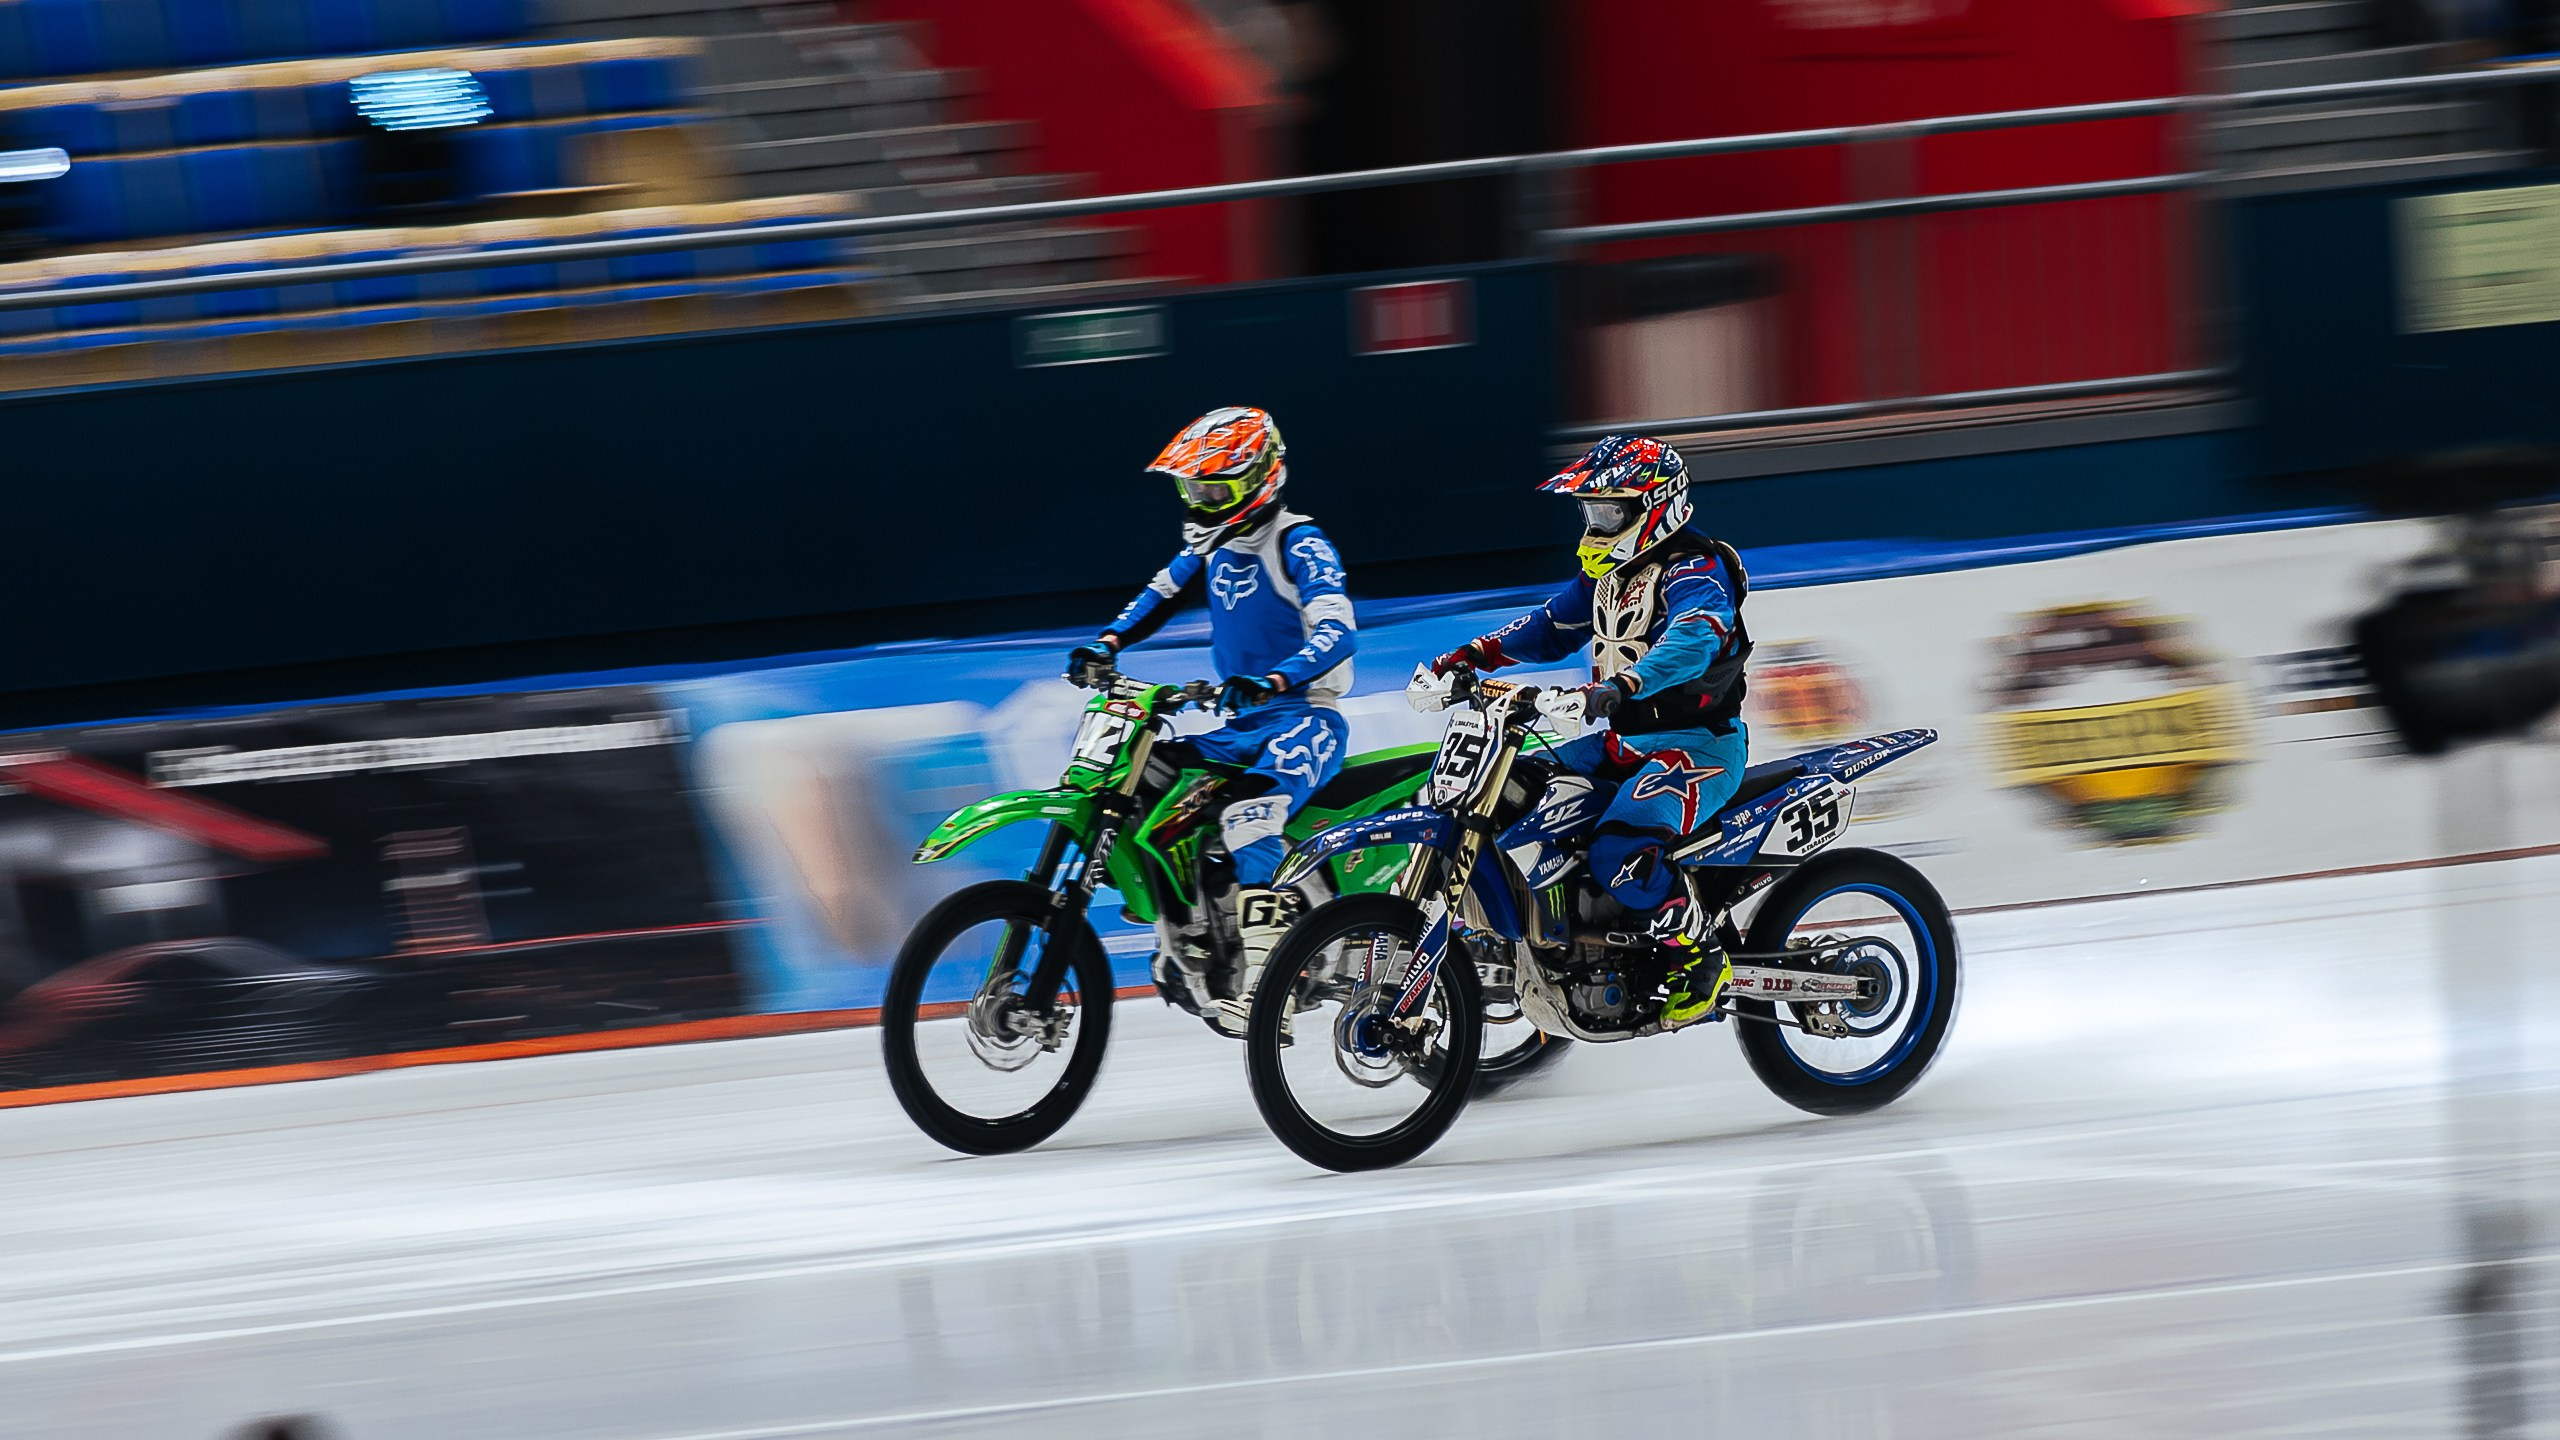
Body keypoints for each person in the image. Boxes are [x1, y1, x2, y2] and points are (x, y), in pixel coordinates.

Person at [1430, 434, 1752, 1030]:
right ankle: (1547, 938)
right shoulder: (1608, 576)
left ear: (1656, 507)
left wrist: (1624, 685)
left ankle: (1701, 957)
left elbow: (1697, 634)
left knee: (1620, 849)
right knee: (1513, 792)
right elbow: (1551, 626)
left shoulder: (1696, 569)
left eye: (1610, 511)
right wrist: (1475, 654)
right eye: (1592, 512)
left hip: (1697, 746)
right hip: (1621, 743)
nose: (1597, 524)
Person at [1066, 407, 1357, 1033]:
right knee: (1152, 775)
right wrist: (1107, 644)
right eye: (1190, 488)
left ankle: (1266, 982)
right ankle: (1192, 929)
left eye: (1212, 489)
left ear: (1261, 480)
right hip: (1240, 724)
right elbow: (1158, 595)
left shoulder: (1298, 542)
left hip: (1303, 718)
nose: (1198, 501)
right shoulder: (1212, 545)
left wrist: (1276, 678)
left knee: (1248, 816)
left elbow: (1338, 632)